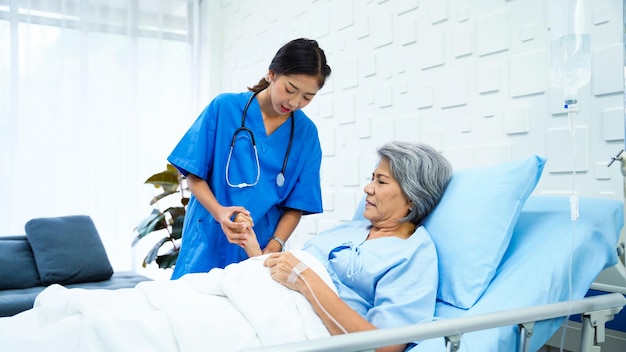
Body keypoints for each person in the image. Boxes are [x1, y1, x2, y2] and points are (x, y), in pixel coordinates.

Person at [239, 141, 453, 352]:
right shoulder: (349, 230)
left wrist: (306, 280)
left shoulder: (412, 254)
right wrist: (254, 251)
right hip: (259, 299)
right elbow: (286, 274)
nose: (368, 188)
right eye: (372, 179)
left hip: (296, 326)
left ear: (412, 199)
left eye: (381, 182)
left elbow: (386, 346)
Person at [167, 38, 332, 279]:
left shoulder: (306, 134)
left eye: (307, 97)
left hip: (258, 247)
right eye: (290, 89)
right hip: (208, 235)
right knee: (187, 308)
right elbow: (193, 174)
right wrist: (220, 213)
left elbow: (296, 205)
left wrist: (272, 247)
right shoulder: (224, 107)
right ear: (272, 74)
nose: (295, 103)